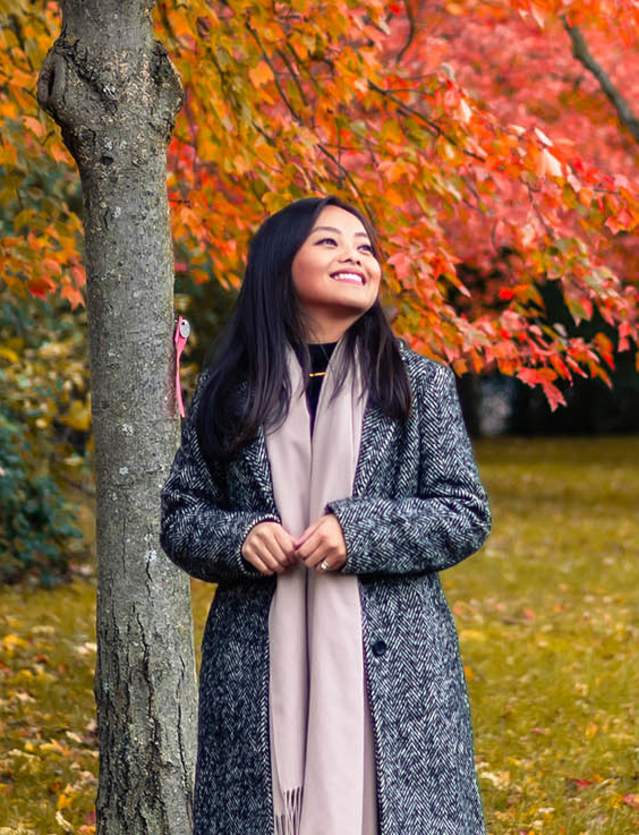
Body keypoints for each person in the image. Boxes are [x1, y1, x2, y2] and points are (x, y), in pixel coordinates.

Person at [159, 194, 493, 835]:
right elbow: (182, 514)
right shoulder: (228, 391)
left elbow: (463, 511)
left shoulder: (418, 383)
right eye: (330, 243)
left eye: (365, 247)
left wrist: (357, 531)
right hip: (255, 662)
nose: (356, 256)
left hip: (397, 666)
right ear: (280, 266)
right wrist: (241, 535)